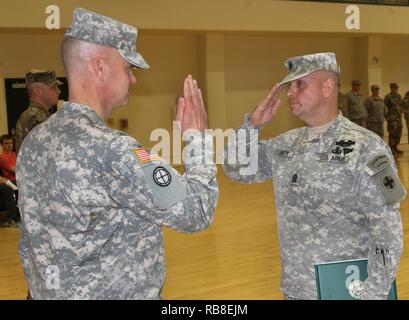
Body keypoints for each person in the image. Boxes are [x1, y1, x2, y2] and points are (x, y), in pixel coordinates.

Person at [16, 7, 218, 300]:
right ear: (100, 67)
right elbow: (198, 210)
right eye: (129, 68)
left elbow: (34, 240)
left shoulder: (35, 140)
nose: (133, 79)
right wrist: (196, 139)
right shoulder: (114, 149)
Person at [223, 52, 405, 300]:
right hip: (296, 289)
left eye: (299, 84)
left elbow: (387, 230)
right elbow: (236, 168)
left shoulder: (365, 147)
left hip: (346, 290)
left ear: (327, 87)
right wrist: (252, 126)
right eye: (290, 85)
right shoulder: (287, 144)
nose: (289, 92)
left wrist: (373, 293)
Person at [13, 70, 62, 154]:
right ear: (38, 91)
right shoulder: (37, 118)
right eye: (54, 87)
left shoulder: (35, 115)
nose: (59, 91)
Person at [384, 83, 403, 155]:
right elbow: (383, 107)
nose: (396, 89)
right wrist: (386, 116)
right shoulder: (388, 97)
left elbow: (402, 105)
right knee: (392, 133)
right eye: (395, 87)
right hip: (392, 119)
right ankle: (391, 148)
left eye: (397, 88)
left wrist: (401, 111)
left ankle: (396, 147)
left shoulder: (399, 96)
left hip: (399, 119)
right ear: (391, 88)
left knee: (398, 133)